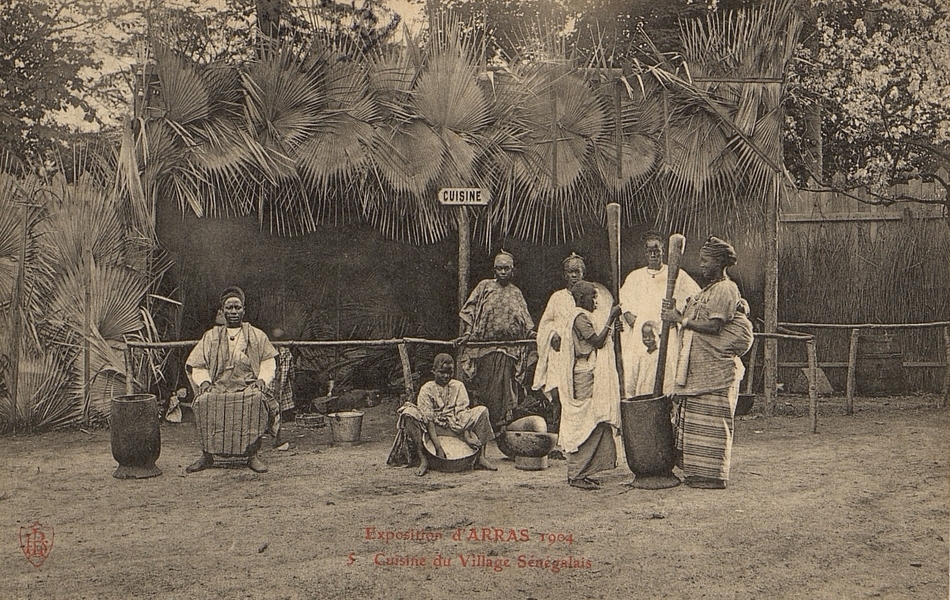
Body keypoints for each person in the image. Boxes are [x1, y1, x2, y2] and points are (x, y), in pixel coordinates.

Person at [661, 236, 754, 489]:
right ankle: (696, 473)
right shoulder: (707, 290)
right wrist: (676, 314)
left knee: (713, 422)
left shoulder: (725, 288)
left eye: (706, 261)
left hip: (715, 372)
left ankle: (713, 476)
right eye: (700, 260)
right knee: (697, 423)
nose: (701, 265)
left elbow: (714, 326)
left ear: (720, 263)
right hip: (699, 370)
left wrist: (681, 320)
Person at [185, 286, 280, 473]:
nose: (234, 312)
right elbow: (197, 363)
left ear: (244, 309)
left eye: (237, 307)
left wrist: (262, 379)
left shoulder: (257, 335)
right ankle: (207, 455)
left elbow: (268, 361)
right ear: (222, 311)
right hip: (218, 385)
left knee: (256, 400)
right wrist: (204, 381)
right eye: (229, 308)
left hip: (247, 385)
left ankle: (252, 455)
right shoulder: (211, 336)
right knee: (204, 401)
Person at [532, 253, 612, 434]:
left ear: (584, 273)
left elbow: (599, 321)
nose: (574, 275)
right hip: (559, 355)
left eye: (577, 271)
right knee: (559, 395)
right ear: (564, 275)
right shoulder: (557, 298)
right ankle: (559, 434)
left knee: (581, 396)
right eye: (570, 272)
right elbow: (546, 323)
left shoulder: (591, 295)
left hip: (582, 356)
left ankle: (578, 434)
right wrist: (552, 334)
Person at [455, 251, 535, 430]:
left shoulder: (516, 293)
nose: (503, 272)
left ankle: (502, 426)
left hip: (508, 349)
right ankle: (485, 424)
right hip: (485, 348)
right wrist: (468, 333)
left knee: (506, 388)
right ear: (494, 270)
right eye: (500, 268)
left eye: (507, 268)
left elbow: (525, 320)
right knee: (486, 389)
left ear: (512, 270)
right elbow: (470, 310)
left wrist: (531, 334)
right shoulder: (485, 286)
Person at [557, 281, 623, 490]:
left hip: (587, 372)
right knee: (587, 422)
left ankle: (584, 471)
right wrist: (611, 319)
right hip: (584, 375)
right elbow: (597, 342)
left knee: (596, 421)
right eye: (593, 297)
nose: (596, 301)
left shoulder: (582, 316)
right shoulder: (579, 318)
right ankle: (576, 474)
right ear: (582, 298)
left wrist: (612, 327)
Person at [619, 231, 700, 398]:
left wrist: (676, 315)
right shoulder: (635, 277)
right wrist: (636, 321)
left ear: (663, 250)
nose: (653, 254)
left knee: (668, 373)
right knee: (639, 374)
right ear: (645, 253)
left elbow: (695, 298)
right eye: (649, 251)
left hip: (667, 334)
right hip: (642, 336)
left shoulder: (677, 274)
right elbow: (624, 305)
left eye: (657, 249)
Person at [387, 354, 497, 476]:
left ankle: (481, 456)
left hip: (455, 427)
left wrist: (467, 437)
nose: (446, 376)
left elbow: (462, 414)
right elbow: (428, 419)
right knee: (408, 413)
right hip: (433, 429)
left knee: (482, 410)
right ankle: (424, 459)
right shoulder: (427, 389)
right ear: (433, 371)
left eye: (449, 372)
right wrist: (438, 448)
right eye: (442, 372)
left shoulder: (458, 386)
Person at [629, 320, 660, 397]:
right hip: (641, 395)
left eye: (651, 336)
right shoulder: (641, 357)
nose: (647, 339)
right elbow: (634, 377)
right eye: (644, 336)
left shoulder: (660, 356)